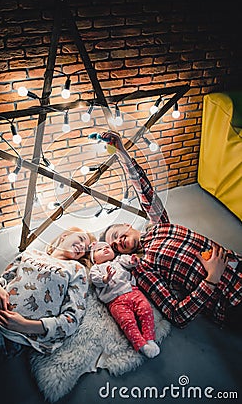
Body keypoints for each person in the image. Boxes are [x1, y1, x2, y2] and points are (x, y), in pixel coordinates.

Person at [98, 131, 242, 330]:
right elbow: (177, 314)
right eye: (114, 246)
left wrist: (121, 152)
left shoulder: (159, 225)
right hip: (231, 300)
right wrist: (211, 279)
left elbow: (143, 188)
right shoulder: (142, 267)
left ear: (128, 226)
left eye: (115, 235)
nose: (117, 242)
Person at [0, 226, 96, 371]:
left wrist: (25, 325)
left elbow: (71, 320)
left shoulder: (77, 270)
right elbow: (4, 277)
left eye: (86, 248)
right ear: (65, 236)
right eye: (81, 239)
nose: (83, 246)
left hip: (6, 340)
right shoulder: (31, 253)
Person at [89, 240, 160, 358]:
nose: (105, 249)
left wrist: (133, 261)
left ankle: (150, 339)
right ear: (94, 260)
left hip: (132, 291)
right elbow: (96, 280)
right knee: (127, 322)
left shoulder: (118, 260)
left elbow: (128, 262)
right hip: (115, 300)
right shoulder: (96, 268)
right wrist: (106, 279)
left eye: (107, 247)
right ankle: (141, 345)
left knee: (146, 310)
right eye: (99, 250)